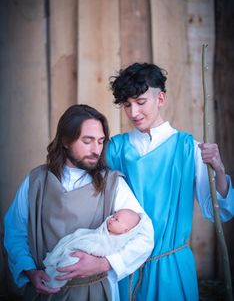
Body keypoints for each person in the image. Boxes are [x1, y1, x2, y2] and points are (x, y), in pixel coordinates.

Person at [107, 62, 234, 301]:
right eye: (127, 105)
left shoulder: (189, 149)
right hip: (125, 268)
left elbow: (219, 212)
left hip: (171, 268)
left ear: (161, 98)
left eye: (140, 102)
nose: (133, 112)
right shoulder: (114, 149)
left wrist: (219, 168)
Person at [4, 104, 154, 301]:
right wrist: (30, 270)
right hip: (45, 291)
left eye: (101, 141)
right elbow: (15, 231)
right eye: (87, 141)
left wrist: (105, 264)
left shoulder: (113, 184)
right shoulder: (36, 181)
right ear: (65, 140)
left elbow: (145, 236)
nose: (96, 150)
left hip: (96, 292)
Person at [43, 209, 142, 288]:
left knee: (69, 263)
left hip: (83, 254)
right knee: (70, 242)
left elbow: (102, 250)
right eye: (113, 215)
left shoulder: (114, 242)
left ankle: (53, 283)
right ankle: (50, 272)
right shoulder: (105, 230)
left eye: (116, 219)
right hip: (83, 243)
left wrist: (87, 247)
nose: (111, 219)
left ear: (125, 230)